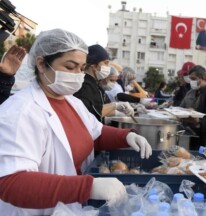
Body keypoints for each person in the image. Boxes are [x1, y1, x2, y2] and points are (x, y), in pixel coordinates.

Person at [0, 28, 153, 215]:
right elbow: (11, 182)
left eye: (81, 68)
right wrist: (85, 187)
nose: (77, 74)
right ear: (41, 64)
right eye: (70, 67)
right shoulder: (20, 112)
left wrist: (126, 136)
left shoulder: (72, 101)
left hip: (67, 207)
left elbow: (93, 133)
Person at [74, 44, 134, 122]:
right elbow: (88, 111)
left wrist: (120, 112)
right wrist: (114, 105)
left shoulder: (95, 85)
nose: (108, 67)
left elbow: (101, 109)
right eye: (106, 63)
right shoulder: (84, 85)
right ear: (94, 65)